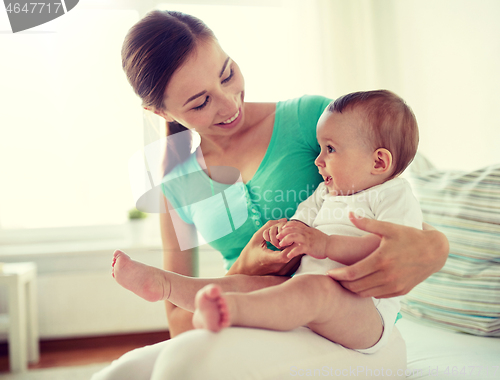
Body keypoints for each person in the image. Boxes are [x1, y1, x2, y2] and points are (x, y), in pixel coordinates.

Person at [92, 10, 449, 380]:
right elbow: (181, 324)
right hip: (258, 313)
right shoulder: (175, 183)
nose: (230, 105)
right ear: (159, 111)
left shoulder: (312, 119)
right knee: (120, 373)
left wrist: (438, 247)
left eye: (227, 73)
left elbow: (396, 204)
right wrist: (247, 266)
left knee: (181, 367)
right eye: (200, 102)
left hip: (349, 325)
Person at [111, 90, 422, 355]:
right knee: (247, 284)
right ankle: (166, 285)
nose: (318, 159)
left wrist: (325, 244)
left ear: (379, 161)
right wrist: (285, 232)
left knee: (316, 291)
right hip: (299, 290)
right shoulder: (326, 190)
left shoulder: (393, 194)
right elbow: (302, 220)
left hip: (365, 312)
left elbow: (390, 249)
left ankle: (231, 312)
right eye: (200, 100)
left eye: (330, 149)